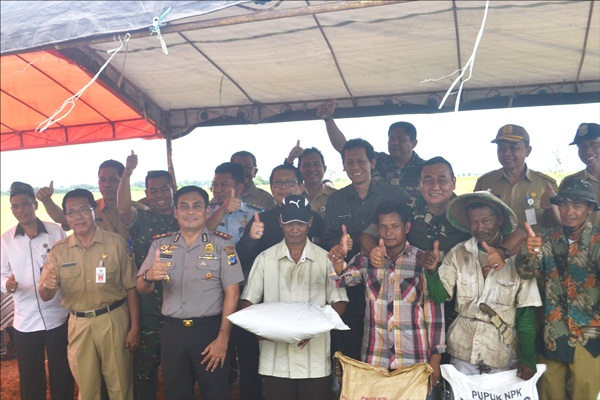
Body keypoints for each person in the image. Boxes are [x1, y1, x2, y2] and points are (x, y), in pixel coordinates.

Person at [137, 185, 244, 400]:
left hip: (210, 331)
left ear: (206, 212)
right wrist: (149, 276)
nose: (190, 211)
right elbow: (141, 287)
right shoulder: (161, 244)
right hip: (173, 332)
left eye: (197, 206)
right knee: (176, 393)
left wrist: (223, 339)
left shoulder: (222, 245)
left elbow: (232, 294)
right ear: (175, 212)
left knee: (216, 392)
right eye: (183, 206)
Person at [328, 201, 445, 396]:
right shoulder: (366, 260)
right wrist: (339, 260)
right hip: (375, 360)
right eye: (383, 226)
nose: (389, 232)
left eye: (395, 226)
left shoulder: (421, 261)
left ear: (406, 227)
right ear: (377, 229)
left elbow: (434, 316)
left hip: (414, 362)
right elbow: (342, 280)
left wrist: (435, 359)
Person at [423, 191, 541, 382]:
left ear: (499, 221)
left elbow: (525, 314)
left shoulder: (518, 261)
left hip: (502, 354)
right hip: (462, 354)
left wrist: (528, 357)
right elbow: (438, 296)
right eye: (474, 222)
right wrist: (431, 271)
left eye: (486, 221)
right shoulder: (458, 254)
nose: (480, 228)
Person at [240, 195, 348, 400]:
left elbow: (340, 300)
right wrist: (260, 329)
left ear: (310, 222)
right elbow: (248, 301)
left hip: (314, 359)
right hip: (275, 360)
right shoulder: (264, 259)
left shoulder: (325, 259)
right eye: (289, 223)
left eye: (300, 222)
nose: (295, 228)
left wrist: (314, 328)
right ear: (280, 222)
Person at [38, 188, 140, 399]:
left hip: (113, 320)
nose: (78, 217)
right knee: (87, 388)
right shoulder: (59, 251)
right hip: (79, 324)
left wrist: (135, 327)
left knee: (120, 387)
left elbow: (131, 287)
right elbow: (46, 295)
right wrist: (47, 287)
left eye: (84, 210)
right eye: (72, 212)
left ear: (95, 211)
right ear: (66, 217)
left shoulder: (116, 243)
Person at [235, 164, 325, 399]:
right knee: (257, 371)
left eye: (289, 182)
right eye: (278, 183)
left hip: (307, 310)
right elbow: (238, 260)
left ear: (301, 185)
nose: (283, 187)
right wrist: (251, 239)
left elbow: (328, 259)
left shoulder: (315, 220)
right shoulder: (260, 220)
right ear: (271, 188)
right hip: (264, 306)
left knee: (311, 378)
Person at [322, 138, 411, 361]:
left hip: (387, 283)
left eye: (360, 161)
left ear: (372, 162)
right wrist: (340, 245)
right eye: (349, 162)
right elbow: (328, 237)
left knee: (389, 346)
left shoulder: (394, 195)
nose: (355, 167)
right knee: (350, 345)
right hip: (350, 283)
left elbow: (409, 231)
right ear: (343, 165)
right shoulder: (337, 199)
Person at [515, 178, 600, 400]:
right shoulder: (546, 240)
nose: (569, 211)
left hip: (589, 338)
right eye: (563, 205)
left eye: (577, 206)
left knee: (586, 395)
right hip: (553, 334)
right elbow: (526, 272)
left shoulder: (598, 242)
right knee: (549, 394)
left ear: (589, 208)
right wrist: (528, 251)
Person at [0, 182, 74, 400]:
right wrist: (6, 284)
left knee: (62, 373)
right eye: (15, 206)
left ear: (35, 205)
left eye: (25, 204)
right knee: (31, 378)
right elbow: (1, 273)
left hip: (58, 317)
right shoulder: (6, 240)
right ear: (11, 209)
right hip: (25, 321)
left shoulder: (55, 232)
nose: (21, 210)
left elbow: (69, 264)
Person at [117, 151, 179, 400]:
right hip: (149, 304)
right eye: (153, 190)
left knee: (178, 368)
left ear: (172, 190)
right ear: (146, 193)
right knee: (145, 366)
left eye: (164, 189)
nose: (159, 195)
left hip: (180, 304)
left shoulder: (184, 217)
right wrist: (127, 172)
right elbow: (122, 208)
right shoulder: (141, 218)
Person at [316, 99, 424, 196]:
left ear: (413, 143)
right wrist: (328, 119)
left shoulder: (425, 168)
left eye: (400, 139)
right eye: (391, 138)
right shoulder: (377, 160)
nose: (394, 143)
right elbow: (343, 147)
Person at [474, 124, 559, 234]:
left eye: (514, 148)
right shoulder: (484, 183)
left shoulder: (546, 185)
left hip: (534, 248)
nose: (506, 153)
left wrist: (551, 206)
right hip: (496, 249)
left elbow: (558, 224)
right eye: (501, 148)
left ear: (528, 151)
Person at [36, 159, 146, 238]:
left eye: (112, 179)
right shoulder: (91, 208)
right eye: (102, 179)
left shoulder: (139, 209)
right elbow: (61, 217)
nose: (106, 184)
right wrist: (47, 200)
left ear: (123, 182)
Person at [206, 162, 263, 244]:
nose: (217, 190)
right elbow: (199, 236)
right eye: (215, 185)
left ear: (239, 188)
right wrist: (222, 210)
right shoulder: (205, 212)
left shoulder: (255, 214)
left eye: (223, 185)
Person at [562, 122, 600, 227]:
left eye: (594, 144)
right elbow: (564, 222)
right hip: (584, 243)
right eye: (582, 147)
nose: (588, 151)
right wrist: (550, 206)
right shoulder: (571, 182)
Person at [285, 142, 336, 217]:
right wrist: (290, 160)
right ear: (299, 170)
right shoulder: (293, 195)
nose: (311, 169)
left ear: (324, 169)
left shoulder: (336, 196)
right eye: (306, 165)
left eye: (316, 164)